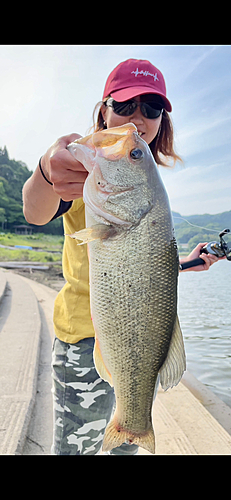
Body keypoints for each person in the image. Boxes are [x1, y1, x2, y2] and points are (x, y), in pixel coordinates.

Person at [22, 58, 221, 455]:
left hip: (139, 344)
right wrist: (46, 171)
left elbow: (145, 267)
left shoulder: (145, 184)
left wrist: (186, 262)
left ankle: (134, 430)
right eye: (125, 105)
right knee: (74, 448)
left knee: (124, 444)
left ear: (162, 121)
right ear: (104, 110)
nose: (137, 119)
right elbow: (35, 210)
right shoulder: (83, 172)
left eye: (151, 109)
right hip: (82, 339)